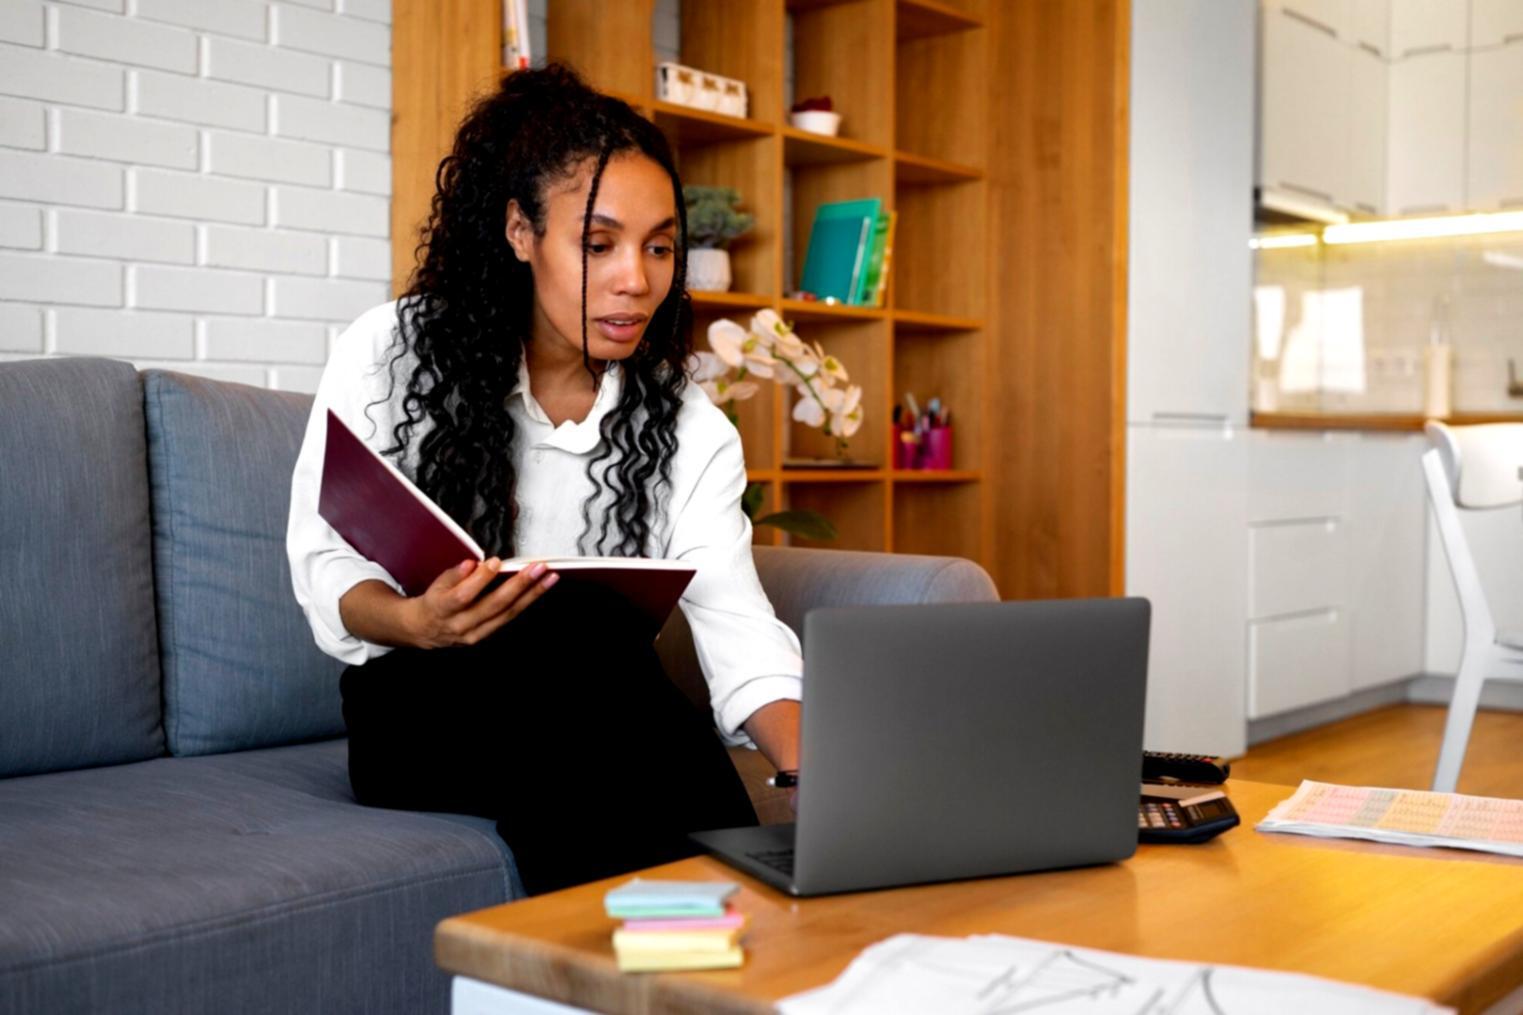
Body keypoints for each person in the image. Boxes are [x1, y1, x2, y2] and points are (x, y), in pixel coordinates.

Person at [284, 63, 803, 896]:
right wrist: (418, 620)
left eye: (659, 246)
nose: (637, 278)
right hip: (418, 706)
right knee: (587, 651)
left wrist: (810, 766)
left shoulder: (686, 422)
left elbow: (736, 624)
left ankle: (668, 933)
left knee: (590, 650)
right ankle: (732, 917)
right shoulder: (391, 351)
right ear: (520, 231)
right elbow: (326, 563)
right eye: (598, 245)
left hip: (591, 702)